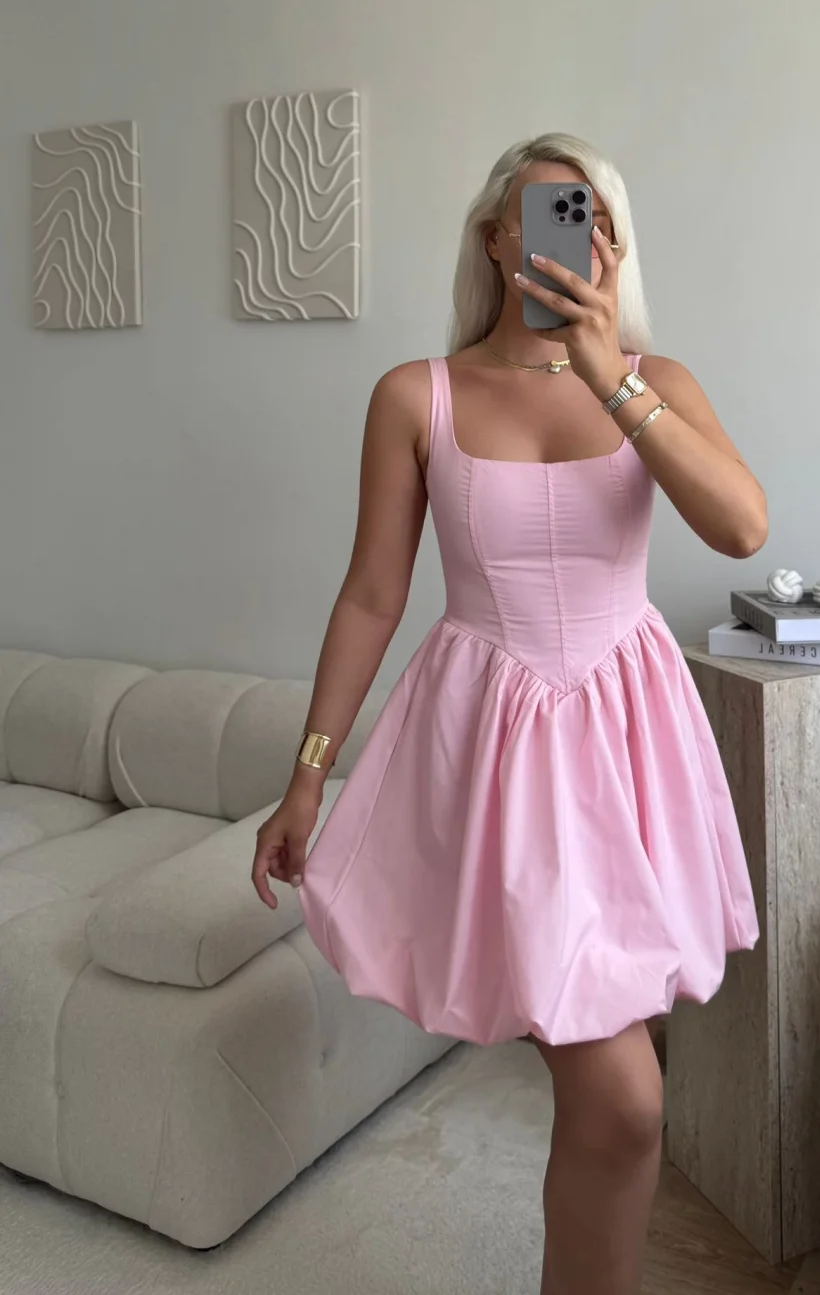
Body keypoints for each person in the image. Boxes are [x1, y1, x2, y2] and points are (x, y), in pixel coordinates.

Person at [251, 133, 767, 1295]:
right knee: (626, 1100)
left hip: (630, 753)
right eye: (545, 218)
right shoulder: (416, 395)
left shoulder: (658, 382)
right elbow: (372, 595)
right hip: (496, 763)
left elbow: (741, 527)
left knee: (613, 1099)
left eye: (591, 221)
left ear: (614, 247)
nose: (567, 243)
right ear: (495, 239)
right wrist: (308, 776)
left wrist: (609, 372)